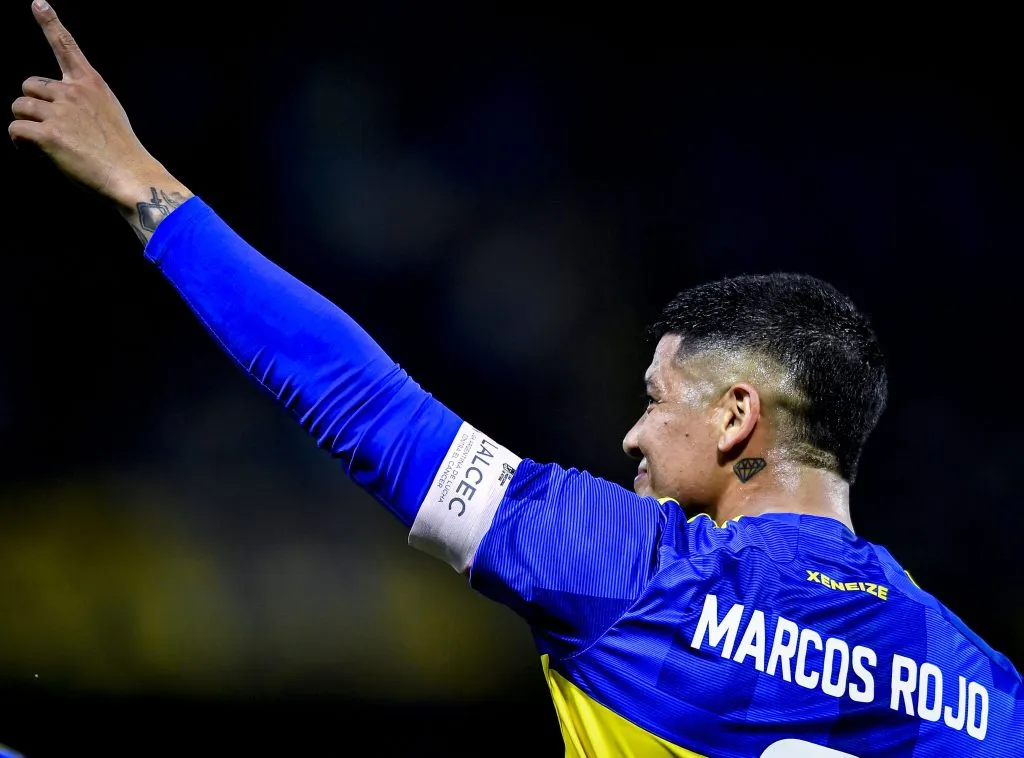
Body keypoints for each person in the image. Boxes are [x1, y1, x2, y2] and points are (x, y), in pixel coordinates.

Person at [9, 3, 1023, 756]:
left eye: (656, 398)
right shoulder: (985, 688)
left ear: (733, 416)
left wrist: (143, 185)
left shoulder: (635, 572)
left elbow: (367, 407)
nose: (630, 435)